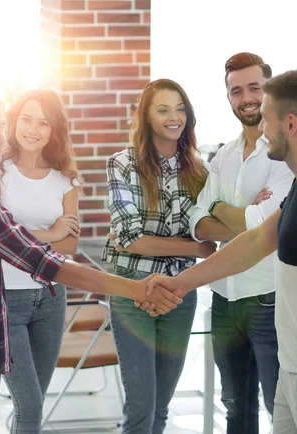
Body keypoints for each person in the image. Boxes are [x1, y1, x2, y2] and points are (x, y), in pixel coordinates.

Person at [0, 91, 182, 434]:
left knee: (27, 404)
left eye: (0, 125)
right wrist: (135, 288)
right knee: (21, 407)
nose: (0, 136)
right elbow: (48, 262)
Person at [144, 70, 297, 433]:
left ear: (290, 124)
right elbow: (255, 242)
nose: (262, 129)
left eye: (267, 119)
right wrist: (180, 283)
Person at [102, 78, 216, 434]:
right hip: (132, 289)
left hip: (179, 292)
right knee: (141, 407)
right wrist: (193, 247)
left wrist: (199, 245)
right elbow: (133, 239)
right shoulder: (122, 164)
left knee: (163, 406)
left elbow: (211, 235)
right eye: (163, 109)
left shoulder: (199, 170)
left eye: (180, 109)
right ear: (146, 116)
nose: (174, 117)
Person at [188, 52, 293, 433]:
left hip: (269, 300)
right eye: (237, 90)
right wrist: (235, 213)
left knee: (278, 408)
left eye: (255, 87)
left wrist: (222, 209)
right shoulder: (223, 156)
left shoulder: (286, 152)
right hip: (224, 301)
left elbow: (266, 228)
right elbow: (196, 221)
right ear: (228, 97)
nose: (246, 97)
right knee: (235, 408)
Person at [0, 89, 82, 433]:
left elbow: (71, 244)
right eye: (26, 119)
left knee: (33, 402)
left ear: (55, 130)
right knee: (30, 404)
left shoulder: (65, 179)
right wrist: (50, 234)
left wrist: (31, 234)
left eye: (43, 122)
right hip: (6, 298)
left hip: (51, 300)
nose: (33, 129)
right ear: (14, 121)